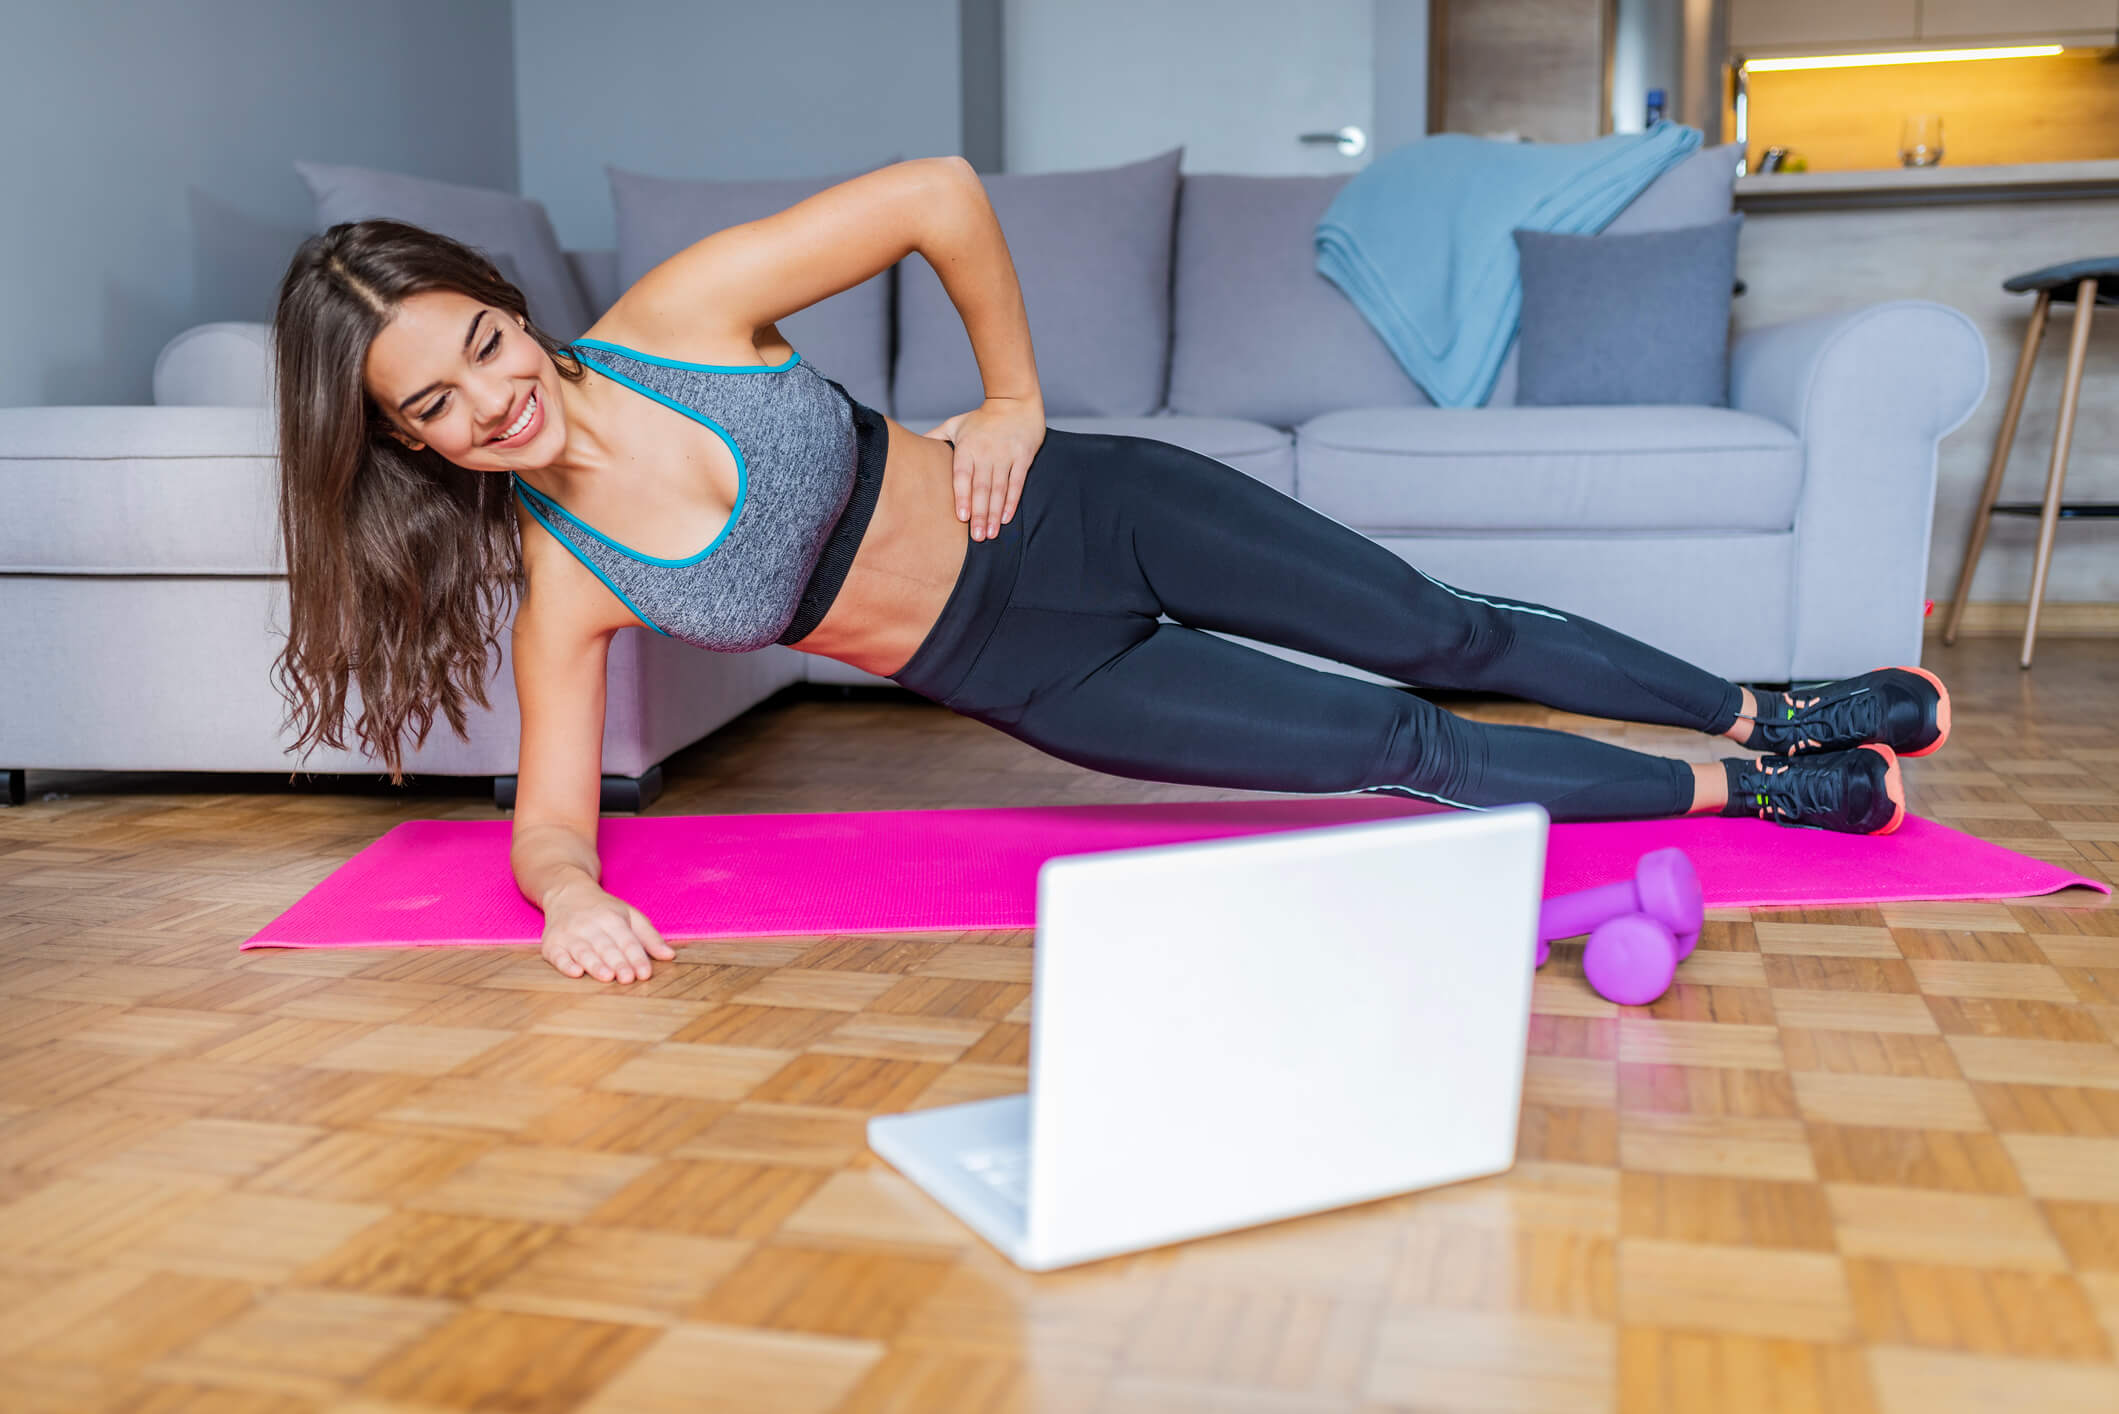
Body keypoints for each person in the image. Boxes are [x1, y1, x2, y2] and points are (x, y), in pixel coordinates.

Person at [272, 156, 1950, 986]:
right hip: (1045, 680)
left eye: (483, 341)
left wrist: (1010, 395)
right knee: (1399, 753)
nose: (492, 396)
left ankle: (1765, 702)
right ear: (410, 444)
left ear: (504, 298)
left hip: (1091, 509)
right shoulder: (568, 578)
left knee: (1443, 634)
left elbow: (937, 191)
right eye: (438, 402)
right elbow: (552, 820)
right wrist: (568, 897)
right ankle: (1739, 790)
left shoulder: (678, 318)